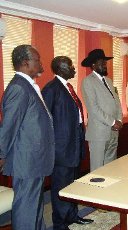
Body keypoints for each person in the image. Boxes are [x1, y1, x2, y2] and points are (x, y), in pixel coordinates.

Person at [0, 45, 55, 230]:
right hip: (27, 160)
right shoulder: (19, 88)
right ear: (25, 63)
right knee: (26, 208)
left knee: (35, 206)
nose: (40, 64)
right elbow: (8, 126)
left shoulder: (28, 86)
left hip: (35, 158)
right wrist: (1, 154)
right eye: (37, 60)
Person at [42, 56, 93, 230]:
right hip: (61, 150)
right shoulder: (51, 89)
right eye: (70, 66)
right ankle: (60, 223)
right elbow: (44, 122)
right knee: (60, 188)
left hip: (74, 146)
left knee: (72, 185)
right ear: (60, 68)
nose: (74, 69)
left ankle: (72, 216)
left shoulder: (68, 87)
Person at [81, 49, 123, 171]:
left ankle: (108, 189)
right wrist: (112, 122)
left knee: (111, 166)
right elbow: (93, 108)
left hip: (114, 131)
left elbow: (117, 103)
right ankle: (96, 190)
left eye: (105, 62)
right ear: (93, 65)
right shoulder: (88, 82)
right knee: (97, 167)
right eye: (102, 63)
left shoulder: (109, 81)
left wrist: (119, 120)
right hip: (99, 132)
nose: (105, 65)